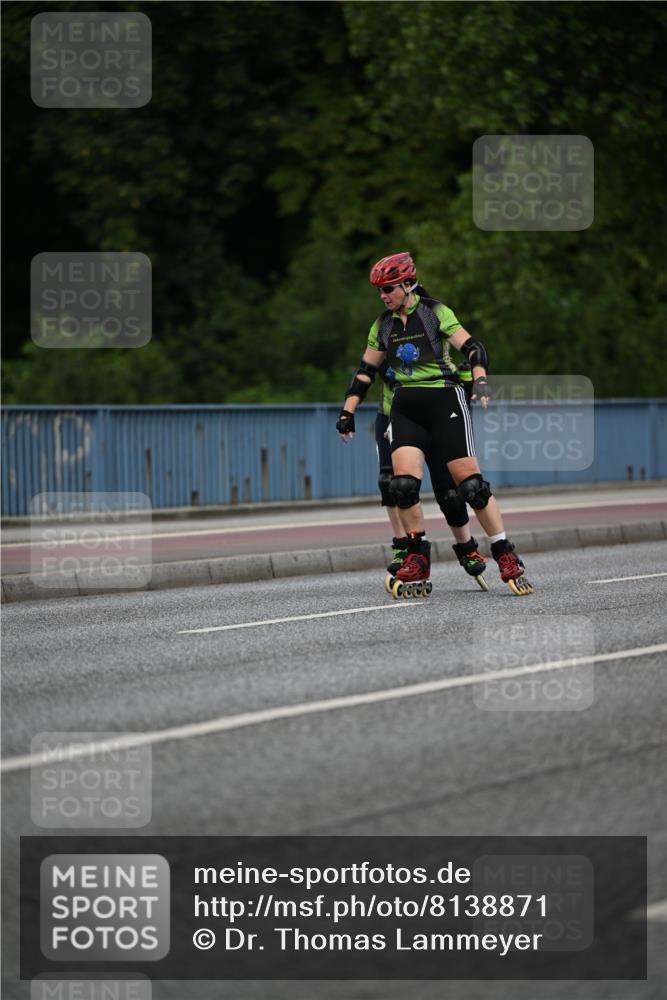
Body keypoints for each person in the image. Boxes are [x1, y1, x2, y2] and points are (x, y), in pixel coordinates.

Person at [336, 251, 533, 597]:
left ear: (408, 284)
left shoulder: (434, 312)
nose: (383, 296)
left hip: (445, 400)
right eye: (379, 291)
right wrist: (347, 411)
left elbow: (472, 347)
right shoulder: (381, 325)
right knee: (402, 486)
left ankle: (504, 552)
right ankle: (417, 556)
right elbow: (365, 371)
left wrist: (481, 379)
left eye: (389, 289)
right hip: (405, 407)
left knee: (470, 487)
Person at [374, 356, 489, 592]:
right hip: (394, 415)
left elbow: (461, 395)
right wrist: (348, 411)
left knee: (449, 493)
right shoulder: (385, 333)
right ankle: (405, 547)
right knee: (395, 485)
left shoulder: (439, 347)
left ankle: (467, 547)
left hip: (434, 416)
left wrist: (471, 381)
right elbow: (373, 372)